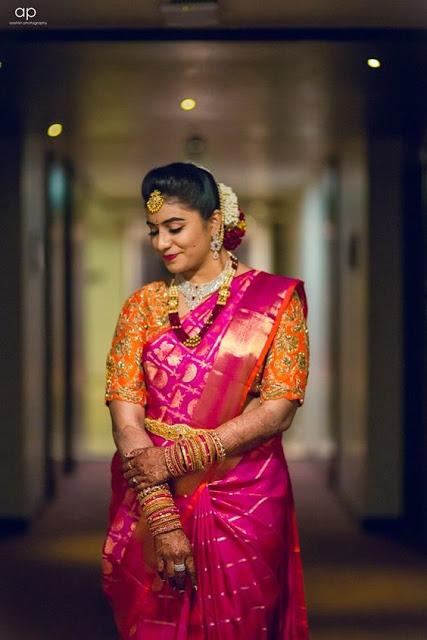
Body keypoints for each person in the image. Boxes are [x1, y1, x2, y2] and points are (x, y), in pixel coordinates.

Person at [101, 162, 310, 639]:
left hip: (246, 493)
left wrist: (176, 457)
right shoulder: (141, 307)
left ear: (215, 223)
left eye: (176, 228)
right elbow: (126, 414)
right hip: (157, 494)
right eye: (154, 231)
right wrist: (160, 512)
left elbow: (278, 408)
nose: (162, 243)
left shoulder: (276, 301)